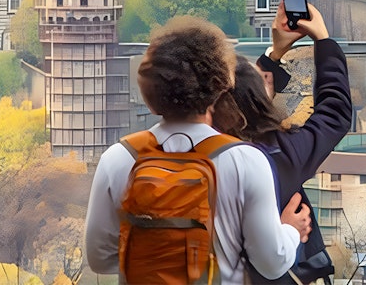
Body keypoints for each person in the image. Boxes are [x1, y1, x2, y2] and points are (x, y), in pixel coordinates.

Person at [85, 17, 311, 284]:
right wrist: (291, 231)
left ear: (149, 91)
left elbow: (99, 257)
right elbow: (272, 263)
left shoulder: (119, 157)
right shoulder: (245, 160)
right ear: (219, 86)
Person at [214, 2, 353, 285]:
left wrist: (274, 54)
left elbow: (240, 93)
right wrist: (323, 41)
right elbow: (334, 113)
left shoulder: (201, 151)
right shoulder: (279, 155)